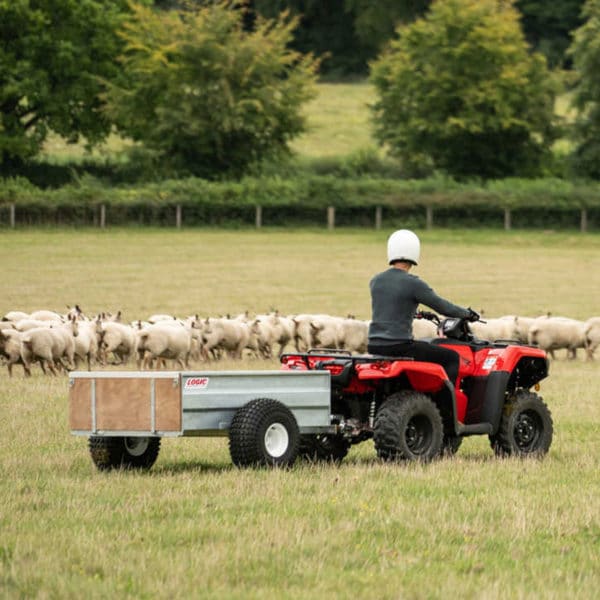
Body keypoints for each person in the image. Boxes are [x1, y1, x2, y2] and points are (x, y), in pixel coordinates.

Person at [367, 229, 478, 388]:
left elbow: (391, 307)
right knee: (452, 358)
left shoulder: (376, 281)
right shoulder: (414, 283)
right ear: (414, 253)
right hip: (399, 346)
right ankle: (443, 409)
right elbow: (443, 307)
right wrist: (467, 314)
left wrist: (417, 313)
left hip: (374, 344)